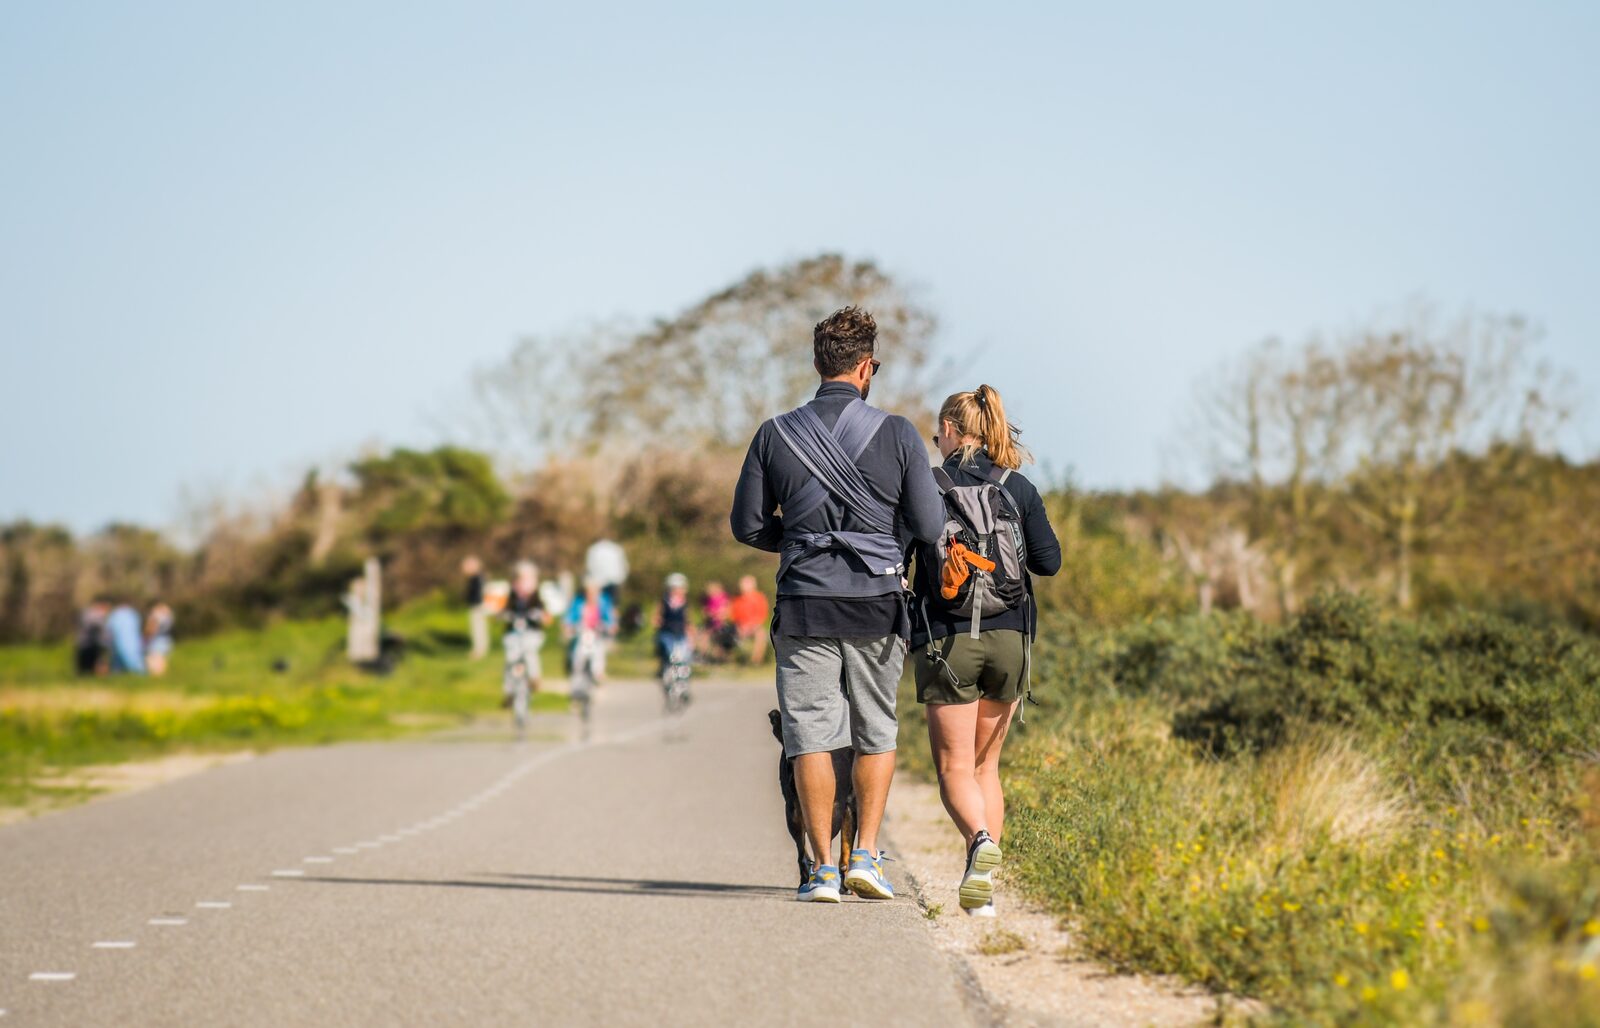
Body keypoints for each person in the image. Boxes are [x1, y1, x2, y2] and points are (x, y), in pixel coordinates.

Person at [731, 305, 944, 903]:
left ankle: (822, 869)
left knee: (810, 736)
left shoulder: (775, 435)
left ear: (817, 364)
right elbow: (929, 527)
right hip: (877, 601)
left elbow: (746, 526)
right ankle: (866, 857)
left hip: (803, 603)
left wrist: (798, 544)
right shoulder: (899, 433)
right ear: (867, 366)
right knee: (876, 729)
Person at [910, 384, 1061, 918]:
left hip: (949, 642)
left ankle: (978, 843)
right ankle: (984, 896)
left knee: (954, 768)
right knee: (985, 768)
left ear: (950, 431)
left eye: (936, 434)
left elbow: (903, 555)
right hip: (1011, 641)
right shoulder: (1016, 487)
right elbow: (1049, 562)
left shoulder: (928, 485)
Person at [501, 560, 550, 709]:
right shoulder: (512, 594)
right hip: (514, 634)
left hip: (531, 633)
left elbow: (543, 612)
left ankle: (534, 678)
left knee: (529, 652)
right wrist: (503, 615)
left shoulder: (536, 595)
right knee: (511, 659)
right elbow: (504, 609)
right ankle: (509, 691)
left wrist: (541, 616)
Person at [564, 577, 617, 684]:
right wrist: (568, 627)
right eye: (589, 592)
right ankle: (576, 674)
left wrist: (610, 627)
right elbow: (569, 618)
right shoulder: (578, 602)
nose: (591, 595)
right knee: (578, 654)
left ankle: (598, 673)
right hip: (582, 634)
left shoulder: (604, 602)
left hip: (597, 635)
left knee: (598, 652)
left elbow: (610, 619)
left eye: (594, 592)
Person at [656, 572, 692, 677]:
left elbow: (687, 618)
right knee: (670, 653)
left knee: (684, 654)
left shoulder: (684, 602)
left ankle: (681, 677)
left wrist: (690, 630)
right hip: (667, 631)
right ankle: (669, 671)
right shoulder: (664, 601)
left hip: (680, 632)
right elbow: (658, 615)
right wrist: (658, 620)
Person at [731, 575, 771, 664]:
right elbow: (734, 616)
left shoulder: (759, 597)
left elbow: (762, 615)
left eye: (746, 583)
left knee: (760, 635)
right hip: (740, 627)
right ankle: (735, 659)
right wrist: (740, 627)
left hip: (755, 627)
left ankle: (755, 661)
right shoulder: (737, 599)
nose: (743, 585)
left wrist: (752, 626)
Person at [584, 539, 629, 610]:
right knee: (613, 605)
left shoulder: (594, 549)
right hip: (615, 580)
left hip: (600, 581)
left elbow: (590, 566)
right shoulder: (617, 548)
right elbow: (623, 566)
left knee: (600, 604)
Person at [105, 601, 145, 674]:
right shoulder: (133, 614)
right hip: (132, 642)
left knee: (122, 660)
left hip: (120, 642)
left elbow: (109, 629)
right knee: (133, 659)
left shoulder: (115, 614)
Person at [700, 580, 736, 661]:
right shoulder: (707, 600)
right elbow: (705, 612)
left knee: (720, 638)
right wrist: (710, 614)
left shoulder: (725, 599)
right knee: (704, 636)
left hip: (723, 625)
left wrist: (720, 616)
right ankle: (704, 656)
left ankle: (720, 657)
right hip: (711, 625)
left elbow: (728, 613)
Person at [463, 555, 489, 660]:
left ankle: (480, 650)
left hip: (478, 606)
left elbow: (480, 594)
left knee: (479, 629)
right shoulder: (475, 578)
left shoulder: (478, 578)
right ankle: (479, 649)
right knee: (477, 628)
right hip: (476, 606)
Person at [74, 601, 110, 676]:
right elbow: (98, 629)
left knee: (86, 667)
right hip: (90, 645)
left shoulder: (88, 614)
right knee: (88, 666)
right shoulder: (94, 616)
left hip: (88, 644)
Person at [144, 602, 175, 677]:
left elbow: (151, 629)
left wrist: (146, 636)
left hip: (156, 642)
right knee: (162, 664)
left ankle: (156, 682)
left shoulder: (156, 614)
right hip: (166, 641)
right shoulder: (167, 612)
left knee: (153, 665)